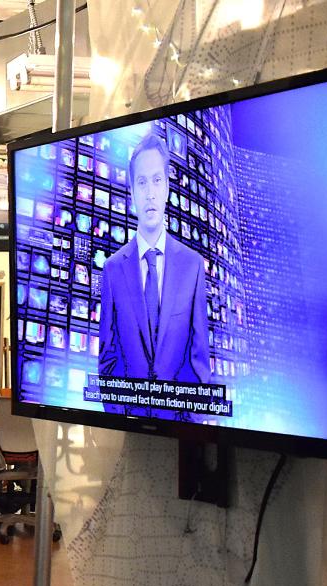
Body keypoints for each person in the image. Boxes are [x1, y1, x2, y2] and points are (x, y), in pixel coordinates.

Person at [97, 127, 210, 414]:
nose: (150, 193)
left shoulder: (193, 265)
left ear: (167, 188)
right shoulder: (112, 269)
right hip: (128, 426)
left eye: (157, 181)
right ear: (132, 192)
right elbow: (108, 359)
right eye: (142, 183)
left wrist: (191, 430)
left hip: (181, 433)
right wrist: (118, 422)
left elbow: (198, 361)